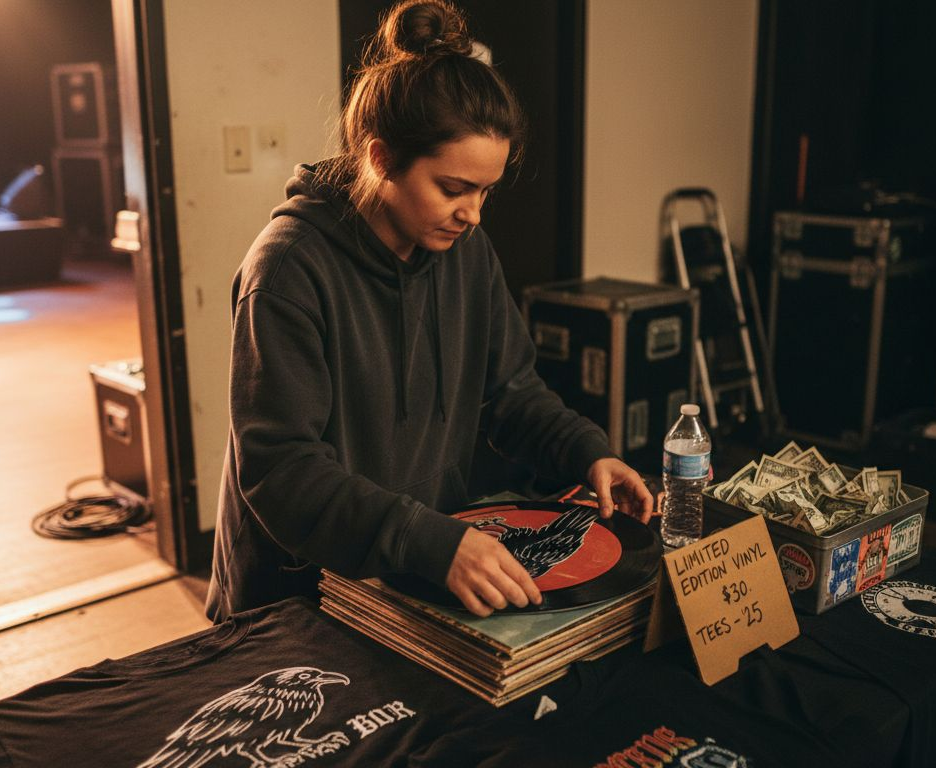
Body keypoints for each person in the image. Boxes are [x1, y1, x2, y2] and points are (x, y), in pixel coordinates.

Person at [206, 0, 653, 623]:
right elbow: (282, 471)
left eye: (485, 191)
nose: (473, 213)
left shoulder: (467, 251)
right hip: (298, 590)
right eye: (453, 188)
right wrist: (429, 542)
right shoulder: (285, 271)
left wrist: (586, 451)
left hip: (416, 565)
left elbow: (512, 394)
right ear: (381, 158)